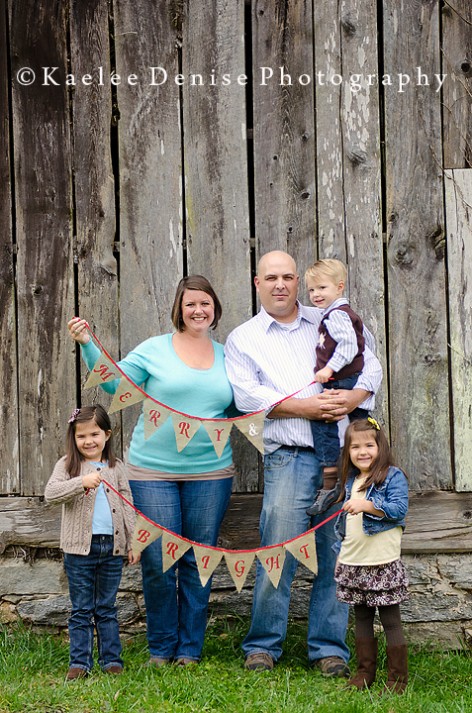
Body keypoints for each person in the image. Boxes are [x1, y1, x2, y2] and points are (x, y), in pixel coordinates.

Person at [224, 250, 382, 674]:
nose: (280, 284)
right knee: (278, 551)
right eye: (271, 277)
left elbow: (371, 366)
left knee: (337, 552)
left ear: (298, 282)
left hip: (344, 460)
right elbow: (247, 397)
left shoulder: (329, 318)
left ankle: (329, 649)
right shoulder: (244, 338)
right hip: (289, 458)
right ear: (257, 283)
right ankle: (263, 646)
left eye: (288, 277)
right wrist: (305, 407)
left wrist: (353, 397)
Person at [68, 275, 235, 667]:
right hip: (152, 472)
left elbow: (243, 403)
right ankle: (161, 647)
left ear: (215, 309)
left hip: (211, 473)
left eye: (205, 303)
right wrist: (88, 343)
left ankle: (189, 649)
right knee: (159, 559)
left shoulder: (230, 355)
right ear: (179, 308)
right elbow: (114, 385)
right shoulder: (155, 349)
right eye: (191, 303)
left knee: (198, 559)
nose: (198, 310)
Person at [44, 405, 139, 680]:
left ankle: (111, 661)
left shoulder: (116, 467)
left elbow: (127, 504)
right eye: (81, 436)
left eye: (94, 434)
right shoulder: (67, 465)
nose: (88, 441)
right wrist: (81, 482)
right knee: (81, 608)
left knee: (107, 607)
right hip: (78, 550)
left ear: (107, 435)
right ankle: (79, 664)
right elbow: (51, 493)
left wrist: (133, 542)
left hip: (112, 547)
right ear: (73, 438)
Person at [334, 417, 409, 694]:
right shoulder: (351, 480)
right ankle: (365, 672)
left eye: (369, 445)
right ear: (348, 452)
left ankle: (397, 679)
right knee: (362, 618)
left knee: (390, 620)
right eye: (355, 447)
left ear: (380, 447)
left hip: (381, 563)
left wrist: (367, 505)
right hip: (355, 562)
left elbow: (398, 509)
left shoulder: (392, 476)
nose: (362, 452)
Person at [305, 259, 368, 517]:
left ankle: (330, 479)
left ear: (339, 286)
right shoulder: (335, 313)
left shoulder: (338, 314)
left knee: (323, 420)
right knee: (359, 423)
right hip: (345, 378)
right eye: (311, 290)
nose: (316, 294)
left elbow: (349, 346)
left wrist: (329, 369)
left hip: (341, 379)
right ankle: (366, 471)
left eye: (322, 288)